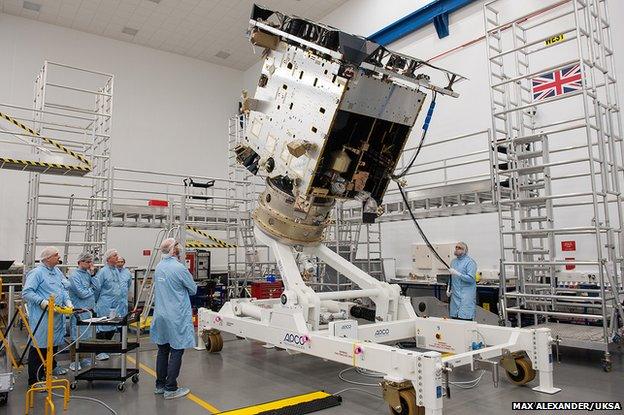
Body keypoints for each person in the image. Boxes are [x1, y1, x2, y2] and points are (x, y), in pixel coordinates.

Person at [150, 238, 197, 400]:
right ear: (175, 251)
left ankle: (160, 385)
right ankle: (171, 388)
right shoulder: (179, 268)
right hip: (176, 315)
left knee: (163, 350)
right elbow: (193, 289)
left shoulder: (159, 267)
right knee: (177, 350)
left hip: (161, 314)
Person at [22, 246, 72, 386]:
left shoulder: (57, 272)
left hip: (56, 317)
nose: (59, 257)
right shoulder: (37, 273)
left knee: (52, 347)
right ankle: (34, 380)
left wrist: (68, 301)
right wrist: (42, 302)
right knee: (40, 348)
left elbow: (62, 289)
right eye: (56, 255)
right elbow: (27, 293)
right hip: (42, 318)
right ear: (47, 258)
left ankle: (46, 375)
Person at [92, 248, 123, 361]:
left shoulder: (116, 271)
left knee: (112, 326)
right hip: (105, 303)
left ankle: (108, 348)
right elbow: (97, 288)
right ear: (109, 258)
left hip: (115, 304)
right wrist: (96, 302)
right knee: (102, 327)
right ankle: (99, 352)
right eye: (115, 255)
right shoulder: (103, 272)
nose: (117, 257)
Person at [67, 252, 96, 371]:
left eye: (90, 262)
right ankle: (74, 361)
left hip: (88, 309)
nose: (90, 264)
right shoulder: (74, 275)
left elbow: (95, 287)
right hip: (79, 310)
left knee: (87, 336)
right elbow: (82, 293)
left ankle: (84, 358)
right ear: (80, 262)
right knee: (76, 336)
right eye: (87, 262)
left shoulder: (87, 274)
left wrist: (93, 274)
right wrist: (91, 290)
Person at [448, 241, 477, 321]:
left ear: (465, 251)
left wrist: (458, 274)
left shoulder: (470, 262)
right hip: (455, 296)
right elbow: (451, 278)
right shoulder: (453, 262)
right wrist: (449, 289)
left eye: (459, 248)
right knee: (455, 320)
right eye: (456, 247)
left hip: (466, 296)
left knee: (465, 319)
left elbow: (471, 279)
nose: (457, 249)